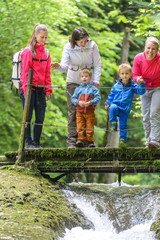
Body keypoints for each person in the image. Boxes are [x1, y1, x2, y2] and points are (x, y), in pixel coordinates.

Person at [51, 27, 101, 148]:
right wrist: (58, 66)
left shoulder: (92, 45)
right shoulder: (68, 47)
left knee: (88, 110)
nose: (83, 44)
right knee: (73, 110)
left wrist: (96, 81)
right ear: (75, 41)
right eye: (80, 42)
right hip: (73, 81)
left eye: (85, 40)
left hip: (88, 82)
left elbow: (97, 64)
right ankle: (72, 140)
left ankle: (87, 140)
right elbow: (63, 67)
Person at [20, 24, 52, 149]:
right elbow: (25, 73)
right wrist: (25, 90)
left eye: (46, 37)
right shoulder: (28, 51)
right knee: (27, 116)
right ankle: (28, 142)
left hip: (41, 89)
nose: (44, 40)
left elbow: (47, 73)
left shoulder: (47, 52)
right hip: (28, 89)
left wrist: (48, 90)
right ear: (35, 35)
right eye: (42, 37)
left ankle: (36, 143)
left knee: (40, 116)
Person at [105, 63, 145, 147]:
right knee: (112, 107)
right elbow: (111, 96)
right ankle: (113, 124)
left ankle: (122, 140)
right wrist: (107, 103)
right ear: (119, 75)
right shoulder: (116, 86)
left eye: (127, 73)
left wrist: (142, 83)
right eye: (122, 74)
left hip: (125, 109)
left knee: (123, 124)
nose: (125, 75)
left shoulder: (132, 86)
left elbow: (141, 92)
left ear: (130, 74)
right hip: (115, 105)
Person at [133, 36, 160, 148]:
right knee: (146, 116)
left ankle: (155, 140)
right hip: (144, 89)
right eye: (148, 48)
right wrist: (137, 79)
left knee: (154, 113)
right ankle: (148, 141)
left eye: (153, 49)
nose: (150, 51)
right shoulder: (138, 58)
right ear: (145, 48)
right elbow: (135, 75)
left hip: (158, 88)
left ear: (157, 50)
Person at [71, 68, 101, 148]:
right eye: (82, 76)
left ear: (90, 77)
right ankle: (80, 140)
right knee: (80, 126)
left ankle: (90, 141)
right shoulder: (78, 89)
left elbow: (98, 98)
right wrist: (78, 102)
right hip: (80, 112)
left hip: (90, 112)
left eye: (86, 76)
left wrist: (90, 102)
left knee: (90, 127)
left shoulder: (93, 89)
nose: (84, 78)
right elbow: (73, 99)